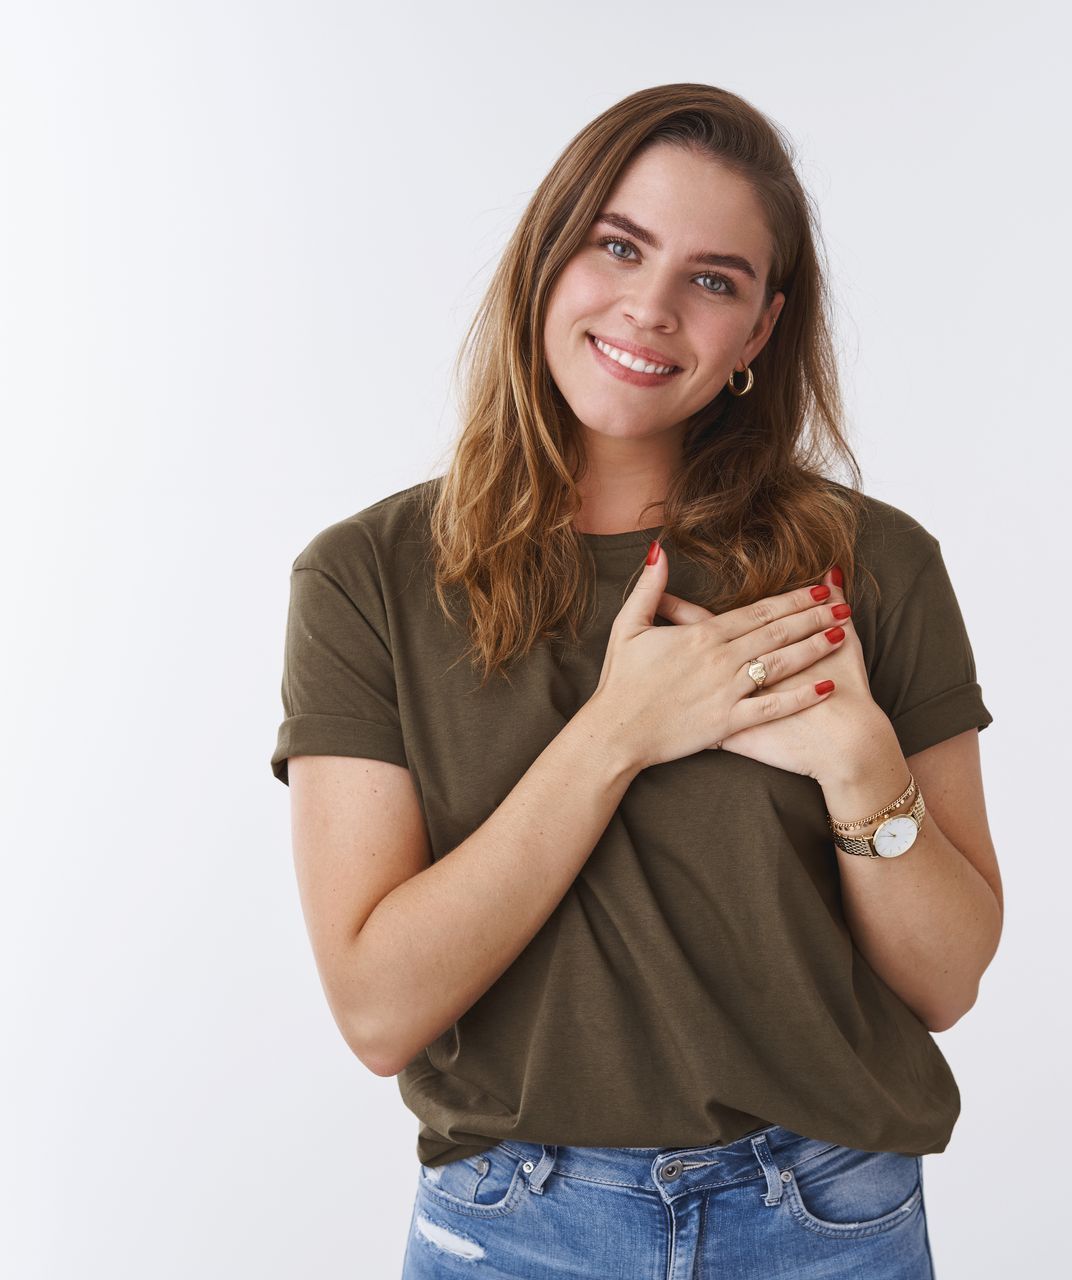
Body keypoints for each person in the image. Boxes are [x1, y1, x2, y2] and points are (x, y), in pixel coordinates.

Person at [270, 84, 1001, 1278]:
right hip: (517, 1225)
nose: (650, 308)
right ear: (548, 253)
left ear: (760, 333)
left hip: (828, 1218)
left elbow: (949, 977)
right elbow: (377, 1009)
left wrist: (860, 760)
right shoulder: (367, 578)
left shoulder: (876, 565)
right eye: (619, 244)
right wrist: (617, 731)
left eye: (714, 279)